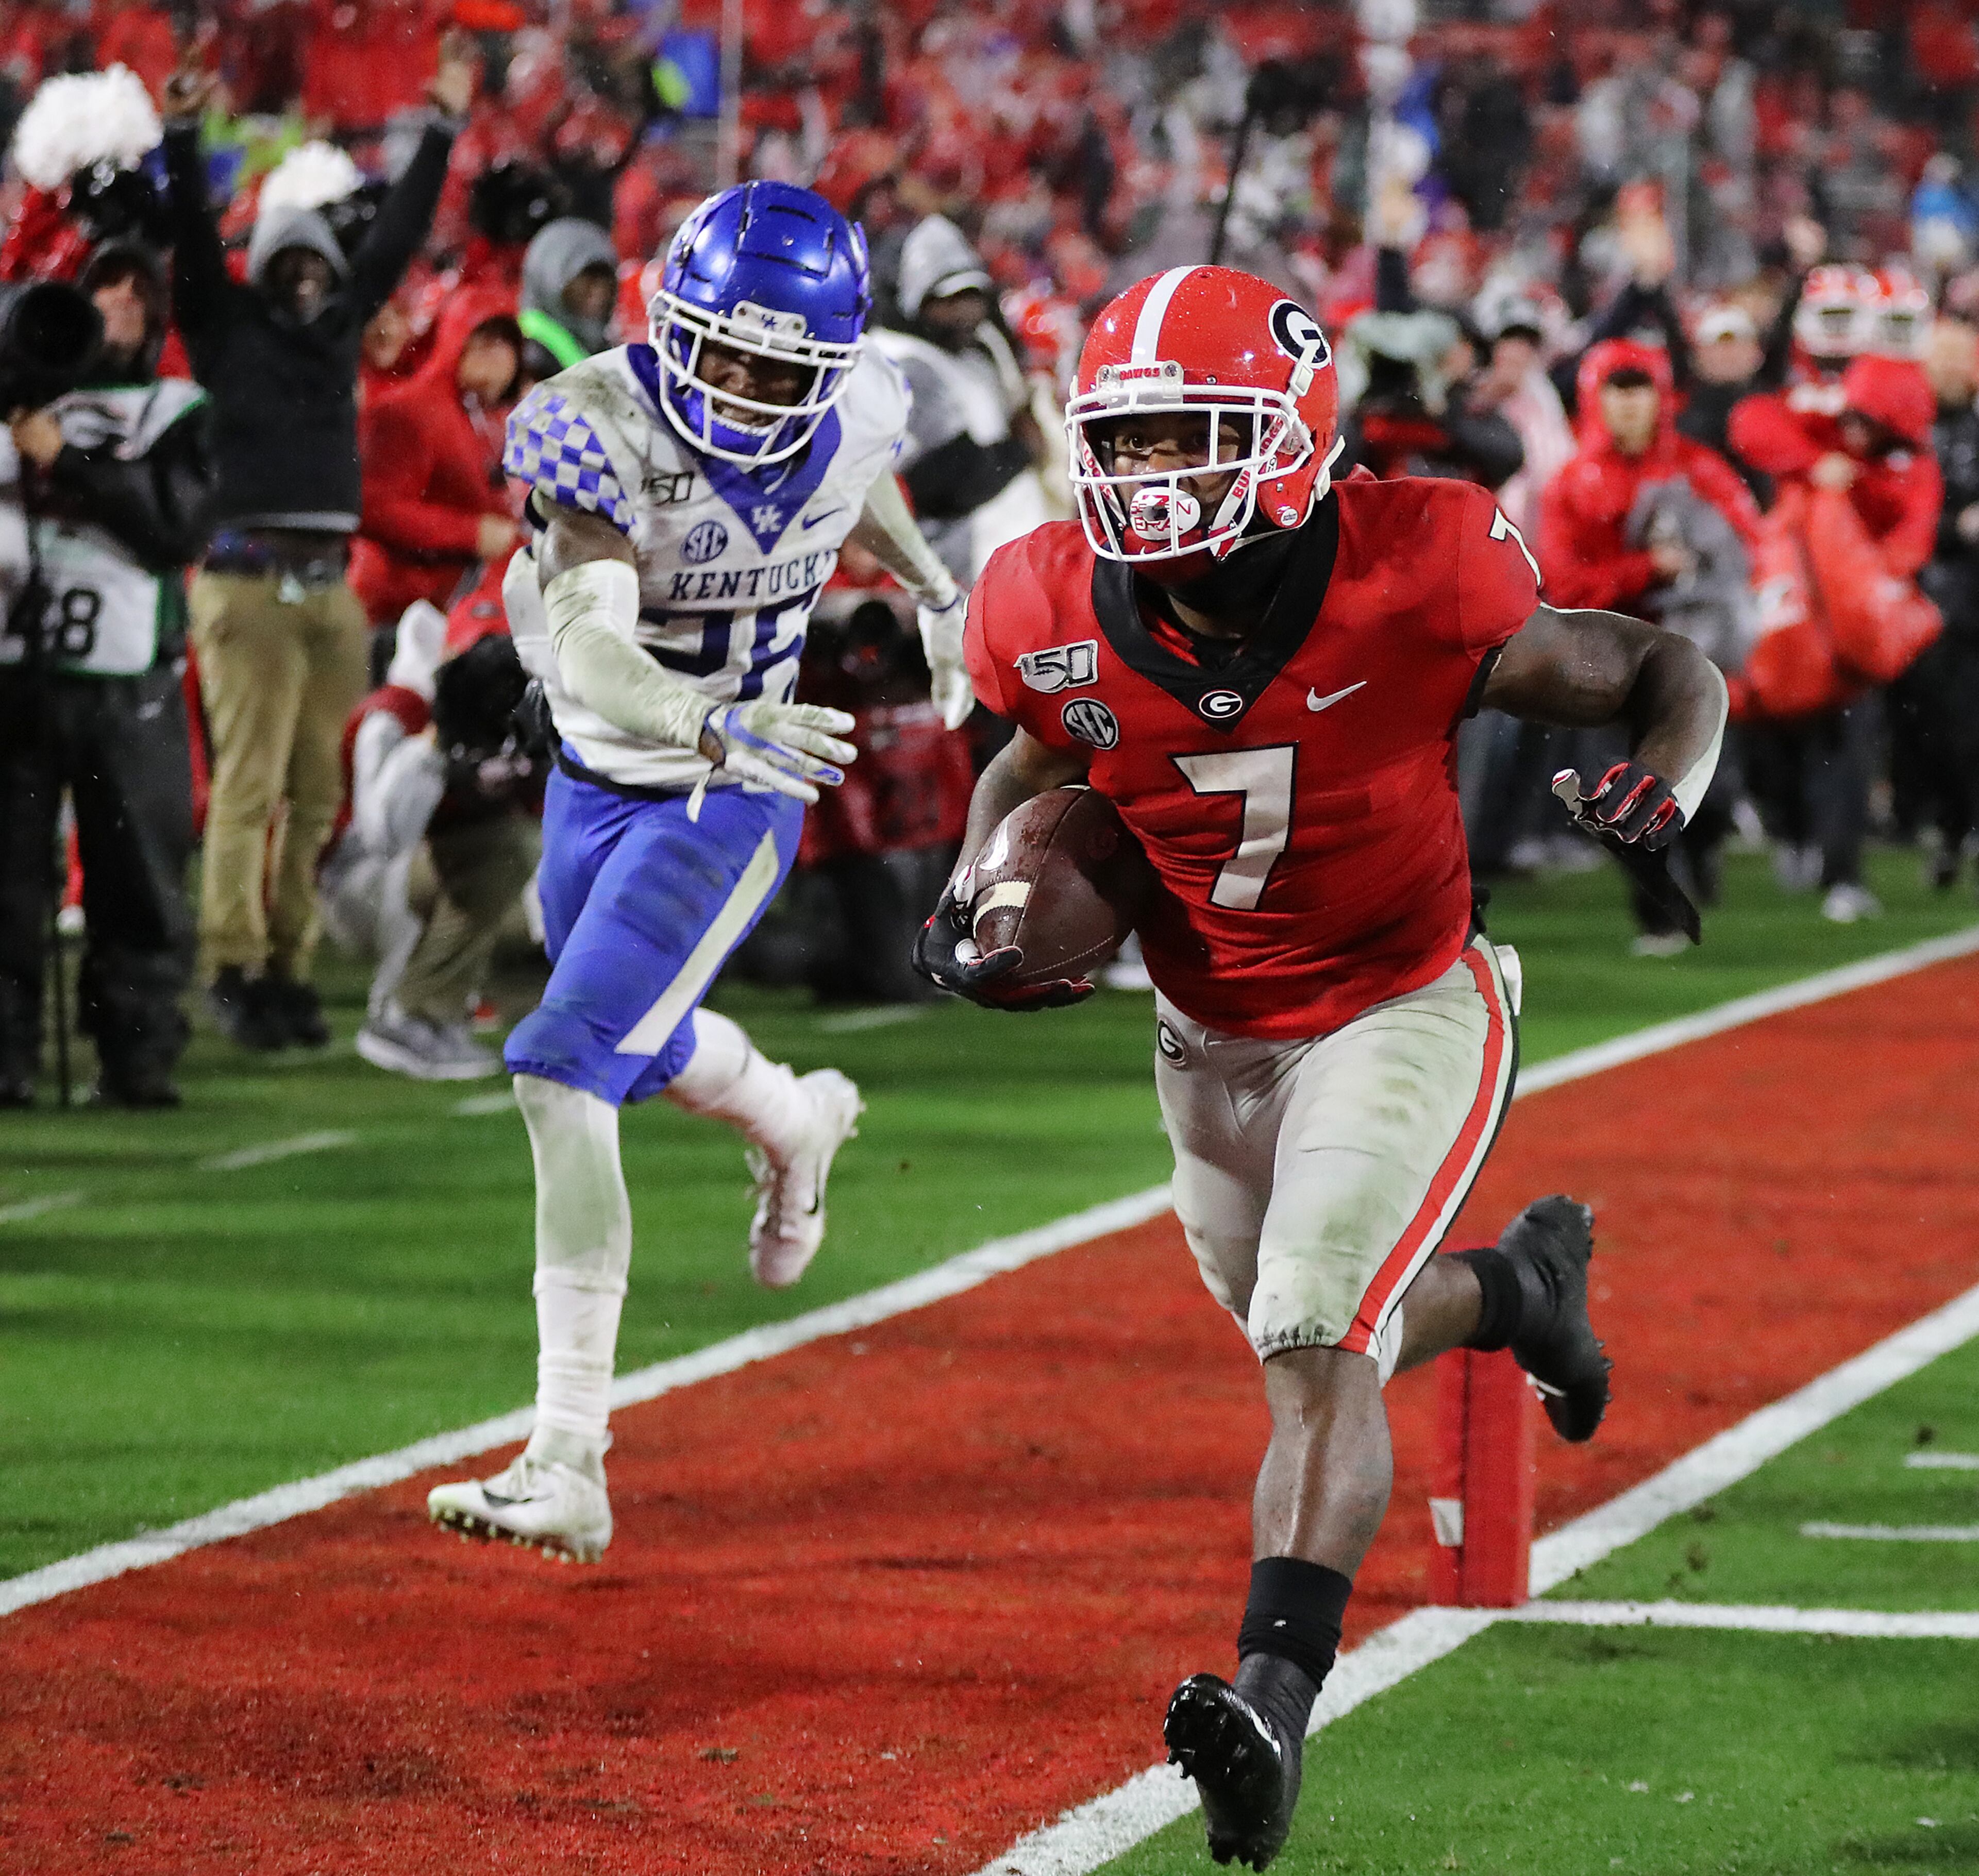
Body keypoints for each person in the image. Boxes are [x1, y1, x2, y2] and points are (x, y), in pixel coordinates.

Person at [916, 265, 1727, 1870]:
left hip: (1398, 1000)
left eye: (1188, 437)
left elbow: (1657, 668)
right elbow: (1029, 756)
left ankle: (1271, 1706)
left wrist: (1666, 780)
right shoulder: (1040, 600)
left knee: (1310, 1329)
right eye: (1125, 440)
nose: (1148, 474)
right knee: (1315, 1326)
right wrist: (974, 895)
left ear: (1289, 436)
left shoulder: (1418, 566)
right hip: (1204, 1032)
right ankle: (1520, 1292)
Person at [425, 180, 971, 1564]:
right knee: (636, 1048)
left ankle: (567, 1454)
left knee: (562, 1062)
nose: (741, 388)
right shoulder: (594, 426)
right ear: (669, 322)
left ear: (827, 367)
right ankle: (794, 1120)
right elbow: (592, 642)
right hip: (605, 772)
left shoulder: (856, 406)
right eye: (721, 352)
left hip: (732, 797)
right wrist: (700, 715)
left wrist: (932, 587)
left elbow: (854, 479)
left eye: (778, 368)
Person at [160, 48, 472, 1051]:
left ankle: (289, 968)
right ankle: (232, 963)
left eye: (316, 266)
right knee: (250, 787)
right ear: (259, 272)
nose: (305, 278)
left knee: (315, 794)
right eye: (286, 265)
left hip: (330, 591)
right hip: (248, 581)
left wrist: (442, 130)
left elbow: (397, 237)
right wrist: (181, 139)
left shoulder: (338, 332)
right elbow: (190, 244)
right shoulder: (225, 331)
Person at [0, 243, 217, 1107]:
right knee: (9, 880)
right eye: (104, 288)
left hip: (129, 680)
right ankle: (6, 1056)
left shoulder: (177, 408)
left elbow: (176, 528)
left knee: (137, 879)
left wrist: (68, 460)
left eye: (137, 291)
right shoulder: (20, 395)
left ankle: (136, 1056)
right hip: (19, 673)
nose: (119, 303)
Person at [1539, 339, 1759, 951]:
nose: (1630, 404)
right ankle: (1658, 914)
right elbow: (1564, 585)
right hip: (1609, 658)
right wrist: (1645, 570)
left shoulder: (1700, 469)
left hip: (1692, 652)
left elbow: (1749, 545)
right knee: (1620, 793)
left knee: (1714, 791)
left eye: (1640, 389)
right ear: (1596, 398)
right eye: (1618, 390)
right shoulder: (1571, 484)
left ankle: (1704, 845)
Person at [1732, 351, 1944, 921]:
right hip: (1792, 618)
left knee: (1849, 749)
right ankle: (1795, 834)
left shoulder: (1912, 469)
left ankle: (1843, 872)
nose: (1855, 430)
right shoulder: (1822, 424)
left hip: (1853, 632)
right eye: (1855, 417)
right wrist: (1815, 461)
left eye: (1871, 424)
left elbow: (1909, 547)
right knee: (1775, 735)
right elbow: (1750, 422)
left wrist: (1858, 576)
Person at [350, 289, 524, 635]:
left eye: (507, 345)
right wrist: (472, 533)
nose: (500, 358)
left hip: (447, 606)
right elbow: (375, 508)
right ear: (460, 340)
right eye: (486, 342)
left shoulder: (478, 416)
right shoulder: (411, 409)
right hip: (396, 611)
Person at [1904, 315, 1979, 884]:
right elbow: (1898, 512)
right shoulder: (1908, 430)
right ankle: (1951, 826)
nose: (1951, 368)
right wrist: (1955, 527)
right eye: (1942, 356)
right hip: (1926, 599)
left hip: (1963, 596)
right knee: (1940, 728)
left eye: (1961, 356)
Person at [515, 216, 618, 379]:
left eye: (606, 280)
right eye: (587, 278)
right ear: (550, 276)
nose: (598, 291)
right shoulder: (528, 353)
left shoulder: (601, 344)